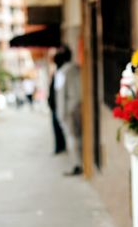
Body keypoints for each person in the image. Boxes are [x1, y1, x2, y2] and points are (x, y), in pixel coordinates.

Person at [54, 45, 83, 176]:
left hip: (68, 109)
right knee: (78, 136)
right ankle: (80, 163)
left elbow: (60, 96)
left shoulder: (61, 73)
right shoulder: (76, 68)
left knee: (72, 137)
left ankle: (77, 164)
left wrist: (60, 116)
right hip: (79, 106)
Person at [48, 51, 66, 154]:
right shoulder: (58, 72)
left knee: (58, 126)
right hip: (55, 105)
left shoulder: (61, 73)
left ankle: (60, 146)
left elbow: (57, 90)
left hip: (57, 105)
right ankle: (59, 146)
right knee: (56, 126)